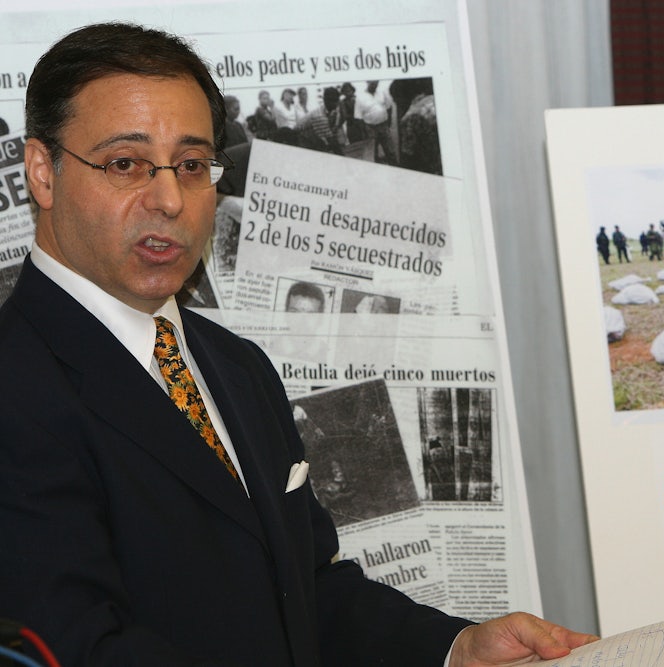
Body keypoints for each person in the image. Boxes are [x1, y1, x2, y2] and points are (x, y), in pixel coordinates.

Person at [0, 22, 596, 667]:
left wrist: (453, 648)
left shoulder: (237, 367)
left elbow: (305, 593)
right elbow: (74, 644)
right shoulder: (16, 384)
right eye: (125, 163)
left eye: (194, 165)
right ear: (43, 172)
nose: (170, 199)